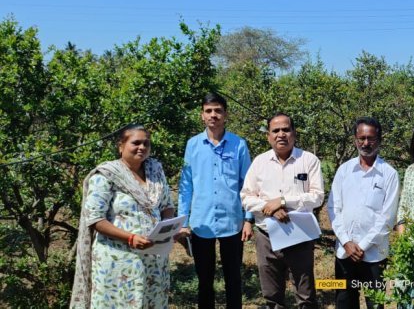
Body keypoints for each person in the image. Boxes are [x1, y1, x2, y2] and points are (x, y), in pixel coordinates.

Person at [70, 124, 174, 308]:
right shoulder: (106, 175)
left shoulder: (155, 171)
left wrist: (166, 229)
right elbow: (94, 219)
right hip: (118, 260)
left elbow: (167, 206)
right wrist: (131, 237)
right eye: (136, 143)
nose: (142, 147)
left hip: (154, 260)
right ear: (121, 146)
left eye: (146, 143)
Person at [176, 93, 253, 309]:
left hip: (233, 222)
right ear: (202, 115)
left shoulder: (238, 144)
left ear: (226, 115)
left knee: (233, 278)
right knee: (204, 280)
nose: (213, 115)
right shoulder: (193, 145)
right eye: (209, 111)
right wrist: (183, 222)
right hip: (202, 223)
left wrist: (248, 219)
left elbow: (247, 184)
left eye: (218, 110)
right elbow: (186, 186)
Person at [241, 113, 325, 309]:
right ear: (268, 136)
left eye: (286, 129)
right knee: (272, 295)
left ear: (294, 133)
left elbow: (317, 196)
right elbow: (246, 197)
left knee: (305, 295)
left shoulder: (308, 160)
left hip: (300, 237)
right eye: (275, 130)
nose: (281, 134)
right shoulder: (259, 163)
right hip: (267, 237)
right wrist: (268, 208)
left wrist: (283, 201)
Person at [328, 117, 400, 309]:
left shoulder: (389, 173)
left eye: (371, 138)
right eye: (361, 138)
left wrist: (363, 245)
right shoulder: (344, 170)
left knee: (375, 304)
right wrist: (346, 242)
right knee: (344, 302)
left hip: (374, 254)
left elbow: (388, 217)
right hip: (345, 252)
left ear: (380, 140)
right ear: (355, 139)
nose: (366, 143)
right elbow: (333, 208)